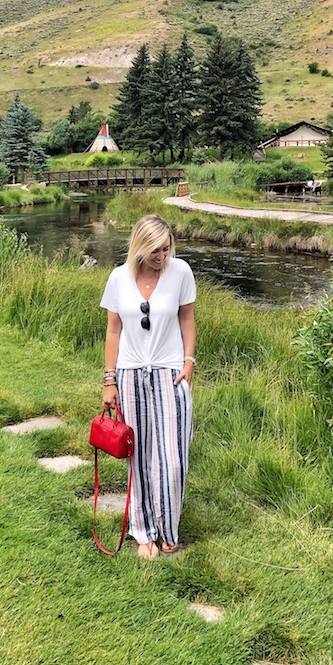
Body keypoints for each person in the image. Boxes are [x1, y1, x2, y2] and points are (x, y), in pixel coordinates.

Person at [100, 215, 196, 560]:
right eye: (155, 250)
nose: (162, 256)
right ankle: (144, 532)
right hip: (129, 375)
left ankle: (168, 528)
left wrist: (189, 361)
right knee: (138, 457)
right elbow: (114, 331)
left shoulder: (181, 272)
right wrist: (109, 380)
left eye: (166, 248)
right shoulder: (118, 278)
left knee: (172, 458)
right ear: (140, 246)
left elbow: (187, 318)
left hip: (171, 373)